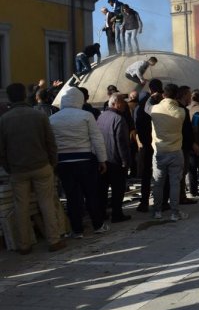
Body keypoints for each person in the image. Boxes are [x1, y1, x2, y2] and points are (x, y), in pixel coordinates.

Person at [0, 83, 66, 254]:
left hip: (18, 169)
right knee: (47, 203)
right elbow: (51, 143)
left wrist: (9, 167)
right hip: (41, 165)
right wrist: (52, 163)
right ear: (24, 95)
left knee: (20, 207)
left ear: (9, 97)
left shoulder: (4, 120)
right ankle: (54, 240)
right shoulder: (38, 116)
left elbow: (1, 150)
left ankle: (24, 245)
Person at [50, 86, 109, 237]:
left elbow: (51, 143)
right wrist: (102, 160)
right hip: (85, 160)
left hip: (63, 162)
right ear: (80, 100)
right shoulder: (86, 115)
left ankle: (77, 230)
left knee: (72, 196)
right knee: (91, 194)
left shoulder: (53, 119)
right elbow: (97, 138)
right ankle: (98, 225)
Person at [149, 83, 187, 221]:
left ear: (163, 94)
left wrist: (153, 97)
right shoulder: (181, 112)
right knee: (175, 183)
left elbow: (146, 107)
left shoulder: (154, 109)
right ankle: (175, 212)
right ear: (177, 95)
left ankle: (157, 211)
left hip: (159, 151)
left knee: (158, 183)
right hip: (176, 151)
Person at [96, 94, 131, 223]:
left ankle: (102, 213)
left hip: (103, 159)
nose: (125, 105)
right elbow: (122, 143)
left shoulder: (101, 117)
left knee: (103, 189)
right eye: (123, 102)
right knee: (118, 189)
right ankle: (117, 214)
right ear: (116, 103)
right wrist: (125, 161)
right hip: (116, 161)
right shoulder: (119, 119)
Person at [134, 79, 163, 212]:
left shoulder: (142, 106)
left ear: (151, 89)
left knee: (146, 174)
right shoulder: (165, 102)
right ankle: (163, 201)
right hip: (161, 142)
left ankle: (144, 202)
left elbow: (137, 124)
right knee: (163, 172)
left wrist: (143, 141)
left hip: (147, 143)